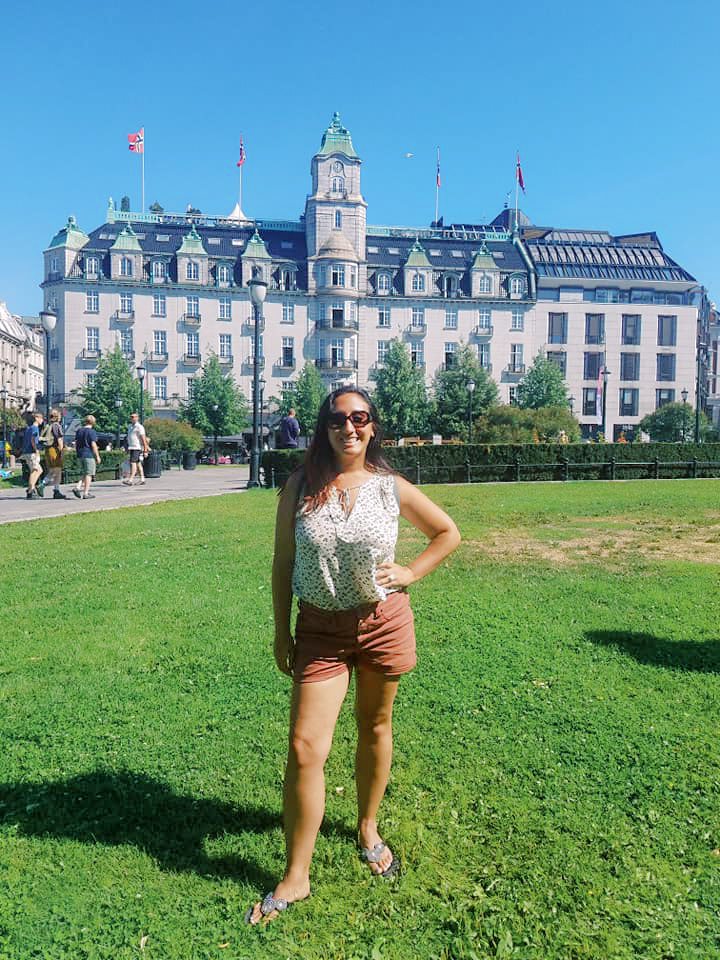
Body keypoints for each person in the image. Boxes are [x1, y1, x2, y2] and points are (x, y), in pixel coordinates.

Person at [246, 386, 461, 925]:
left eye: (359, 418)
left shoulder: (390, 489)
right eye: (338, 418)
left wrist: (410, 572)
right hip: (318, 631)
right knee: (303, 747)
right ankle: (297, 875)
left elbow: (447, 532)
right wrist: (280, 630)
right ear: (323, 427)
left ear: (372, 427)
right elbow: (281, 563)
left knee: (375, 725)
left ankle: (367, 827)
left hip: (381, 622)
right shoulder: (299, 487)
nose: (349, 427)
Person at [72, 415, 101, 499]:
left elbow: (76, 443)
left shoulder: (79, 431)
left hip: (80, 454)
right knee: (89, 474)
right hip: (88, 454)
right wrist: (97, 456)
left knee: (84, 472)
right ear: (93, 422)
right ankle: (86, 493)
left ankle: (77, 487)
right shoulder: (91, 432)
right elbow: (93, 444)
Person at [41, 409, 68, 499]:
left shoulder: (48, 425)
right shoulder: (57, 426)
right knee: (57, 470)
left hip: (48, 450)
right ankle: (45, 485)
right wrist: (61, 449)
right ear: (57, 416)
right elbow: (59, 438)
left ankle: (55, 489)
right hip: (54, 450)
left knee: (53, 470)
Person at [21, 411, 44, 499]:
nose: (42, 420)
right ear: (37, 418)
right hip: (32, 452)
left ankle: (31, 488)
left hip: (27, 451)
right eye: (41, 418)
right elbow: (34, 441)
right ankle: (31, 489)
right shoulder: (35, 428)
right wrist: (37, 450)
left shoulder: (28, 428)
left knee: (34, 470)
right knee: (37, 470)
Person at [123, 412, 149, 486]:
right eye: (131, 417)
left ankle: (131, 479)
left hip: (136, 447)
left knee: (133, 463)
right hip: (131, 447)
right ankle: (142, 479)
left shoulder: (139, 427)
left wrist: (145, 449)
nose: (132, 418)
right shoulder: (130, 426)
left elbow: (143, 438)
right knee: (138, 464)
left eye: (134, 417)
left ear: (138, 418)